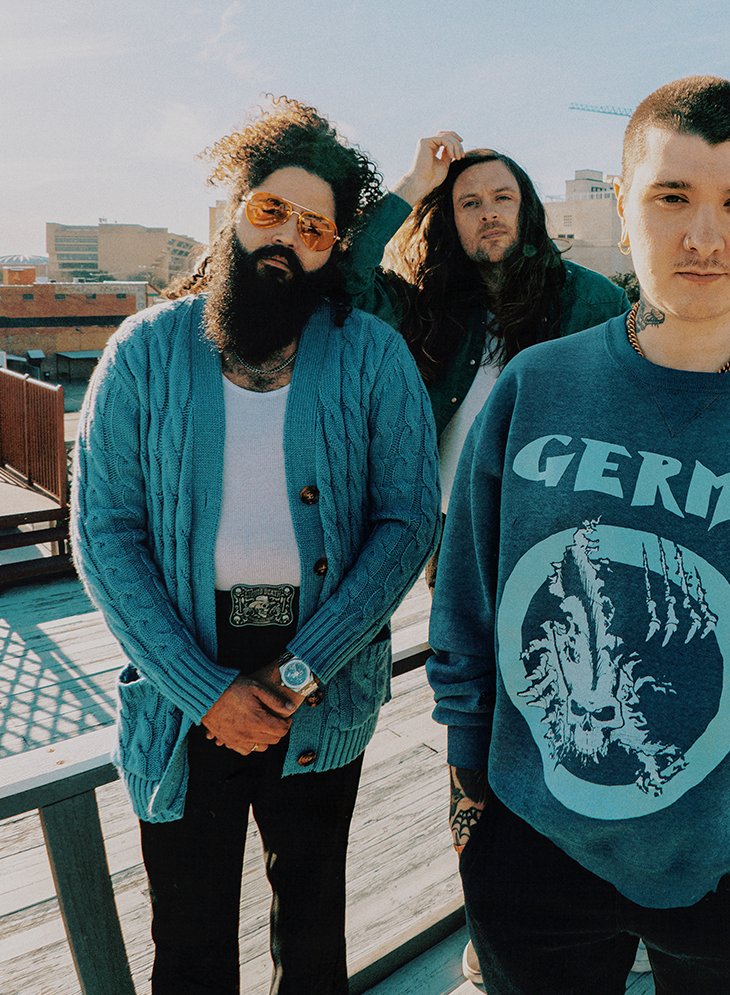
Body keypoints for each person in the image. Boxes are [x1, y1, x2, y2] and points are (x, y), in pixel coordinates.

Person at [427, 76, 730, 995]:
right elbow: (470, 612)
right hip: (532, 840)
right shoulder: (536, 388)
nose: (703, 234)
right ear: (622, 204)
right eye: (672, 195)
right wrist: (470, 816)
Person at [73, 98, 439, 994]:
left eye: (313, 227)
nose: (287, 239)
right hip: (181, 680)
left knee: (313, 939)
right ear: (234, 212)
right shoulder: (143, 352)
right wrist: (206, 691)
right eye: (270, 211)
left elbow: (406, 522)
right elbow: (103, 533)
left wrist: (300, 668)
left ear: (333, 247)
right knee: (190, 943)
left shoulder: (374, 356)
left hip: (319, 678)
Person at [346, 136, 626, 527]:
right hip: (448, 532)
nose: (488, 213)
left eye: (503, 198)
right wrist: (415, 182)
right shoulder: (427, 305)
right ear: (451, 221)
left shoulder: (594, 301)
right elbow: (345, 278)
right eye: (470, 203)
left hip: (553, 528)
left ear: (526, 208)